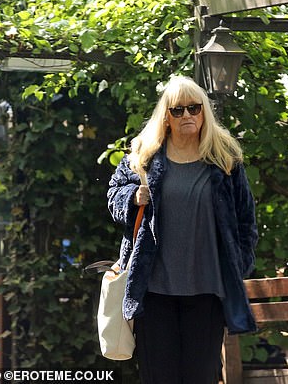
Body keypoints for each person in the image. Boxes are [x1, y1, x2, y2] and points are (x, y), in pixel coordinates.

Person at [107, 76, 258, 384]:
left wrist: (238, 264)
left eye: (194, 108)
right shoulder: (144, 158)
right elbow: (113, 194)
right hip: (154, 290)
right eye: (178, 110)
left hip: (207, 291)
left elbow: (245, 221)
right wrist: (132, 197)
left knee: (201, 375)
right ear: (166, 116)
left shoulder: (224, 161)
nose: (187, 115)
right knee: (157, 375)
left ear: (204, 113)